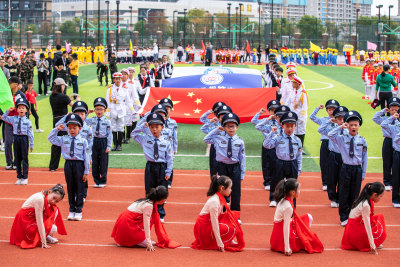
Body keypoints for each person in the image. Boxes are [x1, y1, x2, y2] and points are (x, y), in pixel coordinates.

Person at [130, 113, 173, 223]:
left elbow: (169, 158)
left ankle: (160, 213)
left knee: (162, 190)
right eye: (152, 127)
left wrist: (168, 171)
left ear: (162, 127)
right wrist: (142, 126)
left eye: (157, 127)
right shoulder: (145, 139)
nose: (154, 130)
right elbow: (133, 134)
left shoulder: (166, 142)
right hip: (150, 166)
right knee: (149, 190)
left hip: (162, 167)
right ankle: (150, 211)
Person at [327, 111, 368, 226]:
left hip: (357, 169)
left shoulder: (362, 140)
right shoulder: (341, 138)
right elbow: (330, 135)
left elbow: (365, 158)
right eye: (351, 125)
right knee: (344, 193)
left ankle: (352, 215)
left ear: (359, 126)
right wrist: (340, 127)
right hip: (346, 168)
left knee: (355, 194)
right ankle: (344, 217)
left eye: (356, 125)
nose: (353, 127)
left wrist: (363, 173)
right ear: (347, 126)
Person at [48, 113, 90, 221]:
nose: (72, 130)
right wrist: (56, 129)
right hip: (68, 164)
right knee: (70, 188)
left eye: (74, 128)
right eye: (70, 128)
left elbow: (86, 156)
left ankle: (78, 211)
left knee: (80, 188)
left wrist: (86, 171)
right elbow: (51, 138)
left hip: (79, 165)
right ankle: (71, 210)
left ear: (79, 128)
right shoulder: (64, 139)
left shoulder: (83, 141)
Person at [111, 186, 180, 250]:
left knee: (150, 218)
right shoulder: (148, 206)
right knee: (149, 222)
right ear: (161, 199)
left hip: (125, 222)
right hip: (127, 225)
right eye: (165, 199)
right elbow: (146, 224)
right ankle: (130, 239)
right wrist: (148, 242)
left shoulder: (147, 200)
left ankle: (130, 238)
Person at [204, 113, 245, 217]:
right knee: (221, 190)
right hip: (221, 166)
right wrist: (217, 130)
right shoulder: (218, 138)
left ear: (237, 127)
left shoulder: (240, 141)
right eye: (227, 126)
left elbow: (242, 158)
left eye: (233, 126)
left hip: (235, 167)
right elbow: (206, 139)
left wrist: (242, 173)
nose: (231, 128)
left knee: (235, 192)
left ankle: (235, 215)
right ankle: (220, 213)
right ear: (223, 127)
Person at [270, 178, 324, 255]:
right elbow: (286, 227)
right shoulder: (288, 206)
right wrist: (287, 247)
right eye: (299, 189)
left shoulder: (285, 199)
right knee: (307, 240)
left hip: (279, 233)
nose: (300, 191)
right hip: (281, 237)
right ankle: (288, 244)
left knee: (308, 217)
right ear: (293, 192)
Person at [191, 175, 245, 252]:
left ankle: (227, 240)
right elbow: (214, 223)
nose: (231, 190)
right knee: (228, 227)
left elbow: (221, 216)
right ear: (222, 188)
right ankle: (215, 241)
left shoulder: (220, 198)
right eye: (229, 188)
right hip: (204, 227)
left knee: (233, 221)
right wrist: (219, 242)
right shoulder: (214, 202)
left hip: (208, 224)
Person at [10, 184, 67, 249]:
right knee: (53, 228)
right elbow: (40, 222)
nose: (53, 201)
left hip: (31, 217)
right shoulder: (40, 199)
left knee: (54, 210)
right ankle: (44, 236)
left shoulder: (45, 196)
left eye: (56, 201)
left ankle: (45, 235)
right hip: (25, 219)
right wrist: (43, 242)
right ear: (49, 192)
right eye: (53, 198)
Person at [264, 111, 302, 207]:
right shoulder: (278, 138)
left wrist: (299, 168)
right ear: (282, 126)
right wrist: (271, 134)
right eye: (287, 126)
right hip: (280, 162)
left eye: (291, 126)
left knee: (293, 185)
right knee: (277, 182)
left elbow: (299, 155)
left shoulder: (297, 140)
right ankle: (274, 199)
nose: (289, 129)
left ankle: (292, 203)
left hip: (292, 163)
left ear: (295, 126)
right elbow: (266, 145)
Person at [342, 182, 386, 254]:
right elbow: (367, 226)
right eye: (380, 196)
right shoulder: (366, 205)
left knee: (378, 218)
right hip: (354, 232)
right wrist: (373, 245)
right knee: (380, 226)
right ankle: (365, 242)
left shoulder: (364, 199)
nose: (380, 199)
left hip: (352, 228)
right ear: (375, 195)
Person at [318, 106, 349, 208]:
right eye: (339, 119)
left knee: (342, 178)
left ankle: (340, 197)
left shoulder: (349, 130)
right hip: (333, 155)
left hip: (344, 156)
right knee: (332, 177)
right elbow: (320, 129)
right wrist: (329, 122)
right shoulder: (332, 129)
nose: (341, 121)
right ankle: (332, 198)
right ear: (335, 119)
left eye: (343, 119)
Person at [1, 98, 34, 185]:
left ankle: (25, 177)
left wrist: (32, 144)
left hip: (24, 139)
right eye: (19, 108)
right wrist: (8, 111)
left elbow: (30, 134)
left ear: (26, 110)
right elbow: (3, 118)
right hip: (16, 138)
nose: (21, 109)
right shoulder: (14, 118)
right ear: (17, 110)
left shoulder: (28, 121)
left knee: (24, 158)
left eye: (23, 108)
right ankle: (19, 177)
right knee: (17, 159)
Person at [310, 100, 340, 191]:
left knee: (335, 163)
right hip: (325, 142)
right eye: (329, 109)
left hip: (336, 143)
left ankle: (335, 181)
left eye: (334, 109)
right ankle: (325, 182)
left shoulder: (340, 120)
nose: (331, 111)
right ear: (326, 111)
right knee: (324, 163)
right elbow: (312, 117)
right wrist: (317, 109)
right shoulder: (324, 120)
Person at [251, 100, 281, 190]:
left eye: (276, 110)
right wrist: (260, 114)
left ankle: (279, 180)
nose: (274, 112)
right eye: (272, 110)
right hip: (268, 143)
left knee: (279, 163)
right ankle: (267, 181)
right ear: (269, 111)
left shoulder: (282, 120)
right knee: (267, 164)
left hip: (279, 144)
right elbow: (254, 121)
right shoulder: (266, 120)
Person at [372, 97, 400, 191]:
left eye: (396, 109)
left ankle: (395, 181)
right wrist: (384, 110)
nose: (394, 111)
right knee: (387, 162)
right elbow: (375, 118)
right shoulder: (385, 118)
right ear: (389, 109)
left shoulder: (399, 120)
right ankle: (387, 182)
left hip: (398, 142)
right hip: (388, 141)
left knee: (396, 163)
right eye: (392, 109)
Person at [85, 98, 112, 187]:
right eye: (96, 109)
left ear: (104, 110)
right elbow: (82, 120)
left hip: (103, 141)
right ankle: (96, 180)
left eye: (101, 109)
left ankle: (103, 180)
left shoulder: (107, 121)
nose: (98, 111)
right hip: (94, 141)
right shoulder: (92, 119)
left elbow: (110, 134)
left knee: (103, 162)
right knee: (95, 161)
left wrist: (108, 146)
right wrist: (87, 113)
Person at [200, 102, 230, 178]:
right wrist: (210, 119)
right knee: (213, 166)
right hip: (215, 145)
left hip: (226, 147)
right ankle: (214, 182)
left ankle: (225, 183)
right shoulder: (214, 121)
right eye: (216, 112)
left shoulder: (229, 124)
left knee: (225, 166)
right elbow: (203, 126)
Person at [49, 78, 73, 171]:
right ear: (60, 86)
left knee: (56, 142)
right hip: (63, 121)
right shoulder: (64, 97)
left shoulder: (52, 96)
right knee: (68, 141)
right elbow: (74, 106)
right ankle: (70, 163)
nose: (64, 87)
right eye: (63, 85)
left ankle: (53, 166)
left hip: (55, 121)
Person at [106, 72, 134, 151]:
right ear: (114, 80)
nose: (118, 80)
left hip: (121, 109)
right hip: (113, 108)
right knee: (113, 127)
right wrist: (107, 111)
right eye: (116, 79)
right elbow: (107, 101)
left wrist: (132, 110)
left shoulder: (125, 89)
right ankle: (115, 145)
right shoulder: (110, 89)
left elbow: (128, 101)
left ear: (121, 79)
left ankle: (119, 145)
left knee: (121, 127)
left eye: (119, 79)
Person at [4, 76, 27, 170]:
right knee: (8, 142)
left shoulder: (21, 95)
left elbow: (26, 107)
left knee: (18, 143)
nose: (8, 85)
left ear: (16, 85)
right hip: (8, 121)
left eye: (10, 83)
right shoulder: (7, 94)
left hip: (18, 122)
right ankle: (9, 162)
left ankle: (17, 162)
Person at [381, 110, 400, 207]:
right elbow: (383, 124)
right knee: (396, 176)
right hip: (397, 153)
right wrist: (393, 117)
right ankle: (396, 200)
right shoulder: (394, 127)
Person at [159, 98, 178, 188]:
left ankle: (169, 181)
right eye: (164, 107)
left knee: (170, 162)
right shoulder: (157, 122)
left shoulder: (173, 122)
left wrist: (175, 148)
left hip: (169, 146)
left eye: (168, 108)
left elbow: (175, 136)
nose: (166, 109)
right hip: (159, 145)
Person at [286, 76, 308, 150]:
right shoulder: (293, 91)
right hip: (292, 114)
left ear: (297, 84)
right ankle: (293, 146)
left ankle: (300, 148)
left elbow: (305, 106)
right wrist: (283, 109)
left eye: (293, 82)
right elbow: (288, 102)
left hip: (300, 115)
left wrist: (302, 117)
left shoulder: (303, 93)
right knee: (293, 130)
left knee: (301, 131)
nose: (292, 84)